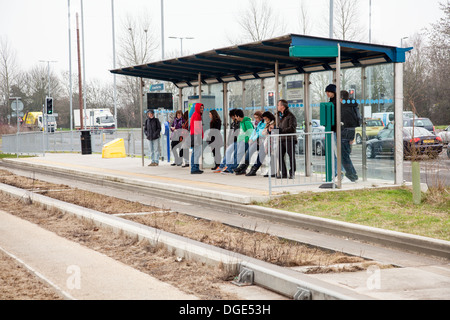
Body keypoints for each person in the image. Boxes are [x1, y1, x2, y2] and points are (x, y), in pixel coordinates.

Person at [223, 109, 253, 174]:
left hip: (243, 141)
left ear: (238, 116)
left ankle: (231, 169)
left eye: (236, 116)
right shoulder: (241, 122)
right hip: (239, 141)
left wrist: (245, 139)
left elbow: (250, 131)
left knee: (238, 155)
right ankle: (231, 168)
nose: (235, 118)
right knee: (236, 155)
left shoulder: (246, 122)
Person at [340, 90, 359, 182]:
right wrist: (352, 137)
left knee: (344, 156)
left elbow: (345, 122)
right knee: (345, 155)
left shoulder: (344, 108)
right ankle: (353, 174)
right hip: (350, 132)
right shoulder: (352, 106)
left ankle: (351, 175)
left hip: (344, 132)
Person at [277, 99, 297, 179]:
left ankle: (292, 173)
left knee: (291, 156)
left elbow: (292, 128)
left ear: (282, 106)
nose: (277, 107)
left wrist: (281, 131)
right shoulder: (278, 115)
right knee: (280, 155)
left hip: (289, 139)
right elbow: (279, 127)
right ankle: (284, 173)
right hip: (281, 139)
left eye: (278, 105)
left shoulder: (290, 115)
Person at [241, 111, 266, 176]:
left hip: (263, 141)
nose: (256, 119)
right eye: (254, 117)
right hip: (257, 141)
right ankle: (244, 167)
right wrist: (251, 139)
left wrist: (253, 139)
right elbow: (254, 131)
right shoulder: (257, 123)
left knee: (261, 155)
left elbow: (260, 133)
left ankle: (254, 169)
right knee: (249, 152)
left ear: (261, 117)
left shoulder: (263, 123)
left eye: (257, 117)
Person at [190, 103, 204, 174]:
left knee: (196, 152)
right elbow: (197, 127)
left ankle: (195, 167)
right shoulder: (197, 115)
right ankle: (194, 168)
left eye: (202, 108)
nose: (202, 110)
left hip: (195, 135)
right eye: (200, 108)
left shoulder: (196, 115)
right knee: (196, 153)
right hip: (196, 136)